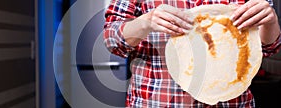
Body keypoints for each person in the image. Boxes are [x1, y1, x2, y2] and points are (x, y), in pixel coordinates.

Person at [103, 0, 281, 107]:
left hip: (233, 102)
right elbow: (112, 41)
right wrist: (145, 22)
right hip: (157, 102)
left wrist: (270, 22)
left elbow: (269, 48)